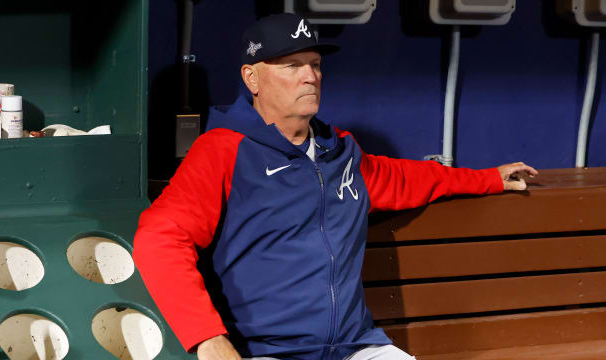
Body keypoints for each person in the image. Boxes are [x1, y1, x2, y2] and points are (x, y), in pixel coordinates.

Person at [133, 13, 537, 360]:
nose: (310, 76)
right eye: (292, 65)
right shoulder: (223, 151)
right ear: (252, 78)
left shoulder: (339, 152)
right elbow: (159, 238)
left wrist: (488, 178)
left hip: (354, 346)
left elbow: (407, 179)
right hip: (267, 349)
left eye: (315, 63)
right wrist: (208, 339)